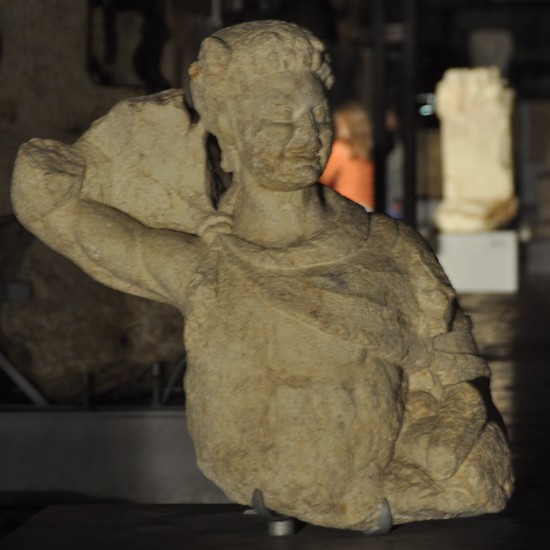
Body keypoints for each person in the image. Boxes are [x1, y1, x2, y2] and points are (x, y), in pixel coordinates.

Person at [12, 20, 512, 533]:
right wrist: (43, 185)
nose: (308, 136)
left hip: (410, 461)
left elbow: (453, 368)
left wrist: (453, 425)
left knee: (477, 482)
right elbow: (74, 224)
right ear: (230, 134)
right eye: (279, 119)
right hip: (275, 471)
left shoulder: (392, 246)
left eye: (318, 116)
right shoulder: (208, 265)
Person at [319, 101, 375, 210]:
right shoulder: (366, 150)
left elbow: (324, 178)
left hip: (347, 206)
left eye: (339, 123)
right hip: (368, 207)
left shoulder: (341, 149)